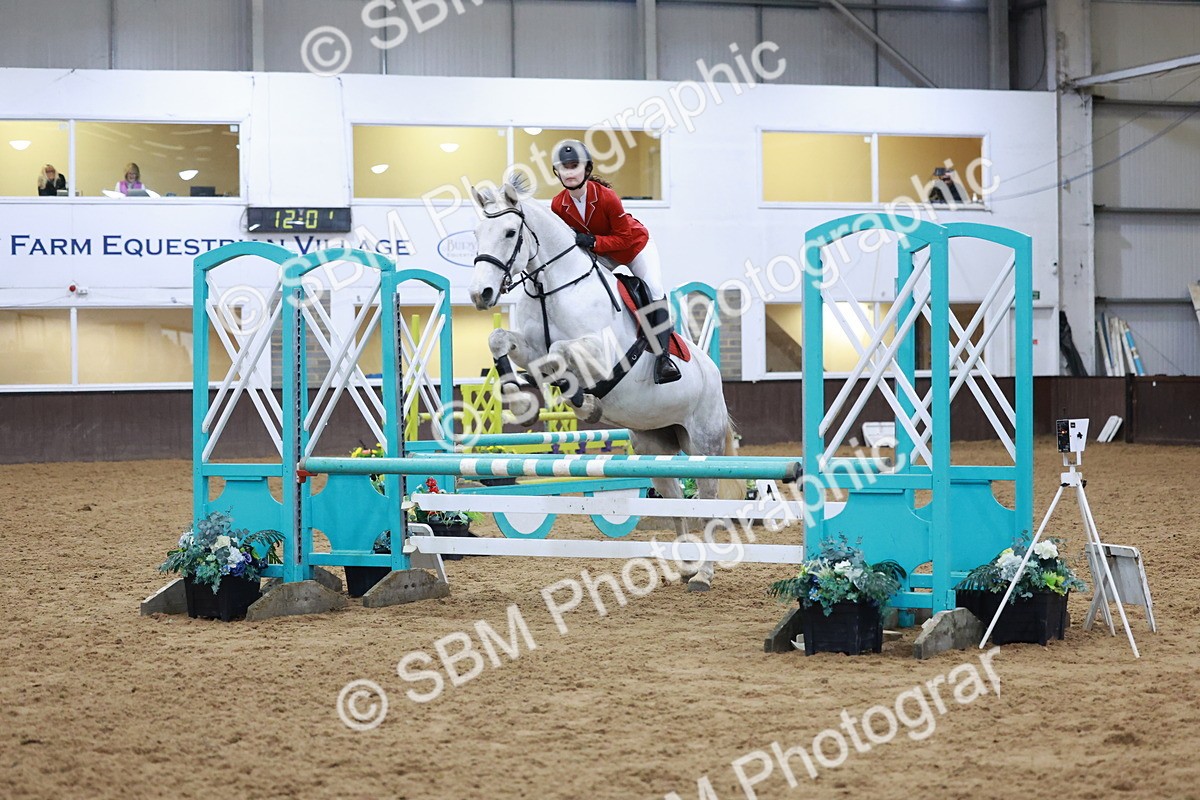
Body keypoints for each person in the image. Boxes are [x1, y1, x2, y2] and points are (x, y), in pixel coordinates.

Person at [549, 139, 680, 384]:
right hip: (602, 252)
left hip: (634, 246)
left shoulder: (607, 197)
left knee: (653, 287)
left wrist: (593, 242)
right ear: (557, 172)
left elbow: (624, 238)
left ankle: (664, 359)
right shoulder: (558, 204)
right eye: (564, 167)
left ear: (587, 168)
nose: (569, 172)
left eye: (574, 166)